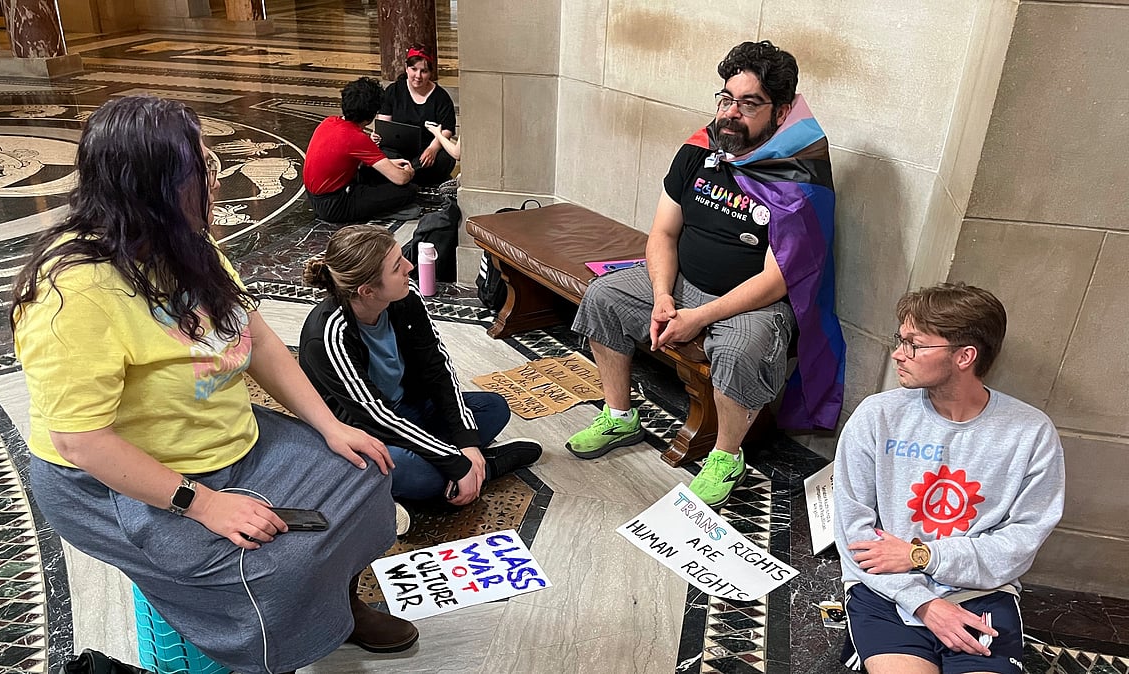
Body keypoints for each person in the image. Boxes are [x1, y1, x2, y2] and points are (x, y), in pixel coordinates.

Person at [12, 96, 417, 674]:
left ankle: (340, 611)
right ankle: (273, 651)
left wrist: (330, 427)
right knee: (274, 569)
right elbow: (82, 441)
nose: (217, 179)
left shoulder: (185, 244)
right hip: (118, 479)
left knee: (364, 474)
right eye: (203, 168)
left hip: (219, 439)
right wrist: (202, 504)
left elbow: (256, 338)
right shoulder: (72, 293)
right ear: (152, 188)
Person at [565, 40, 846, 509]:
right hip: (680, 283)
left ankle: (726, 456)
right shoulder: (699, 150)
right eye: (726, 98)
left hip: (754, 302)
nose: (731, 113)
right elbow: (663, 233)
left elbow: (778, 280)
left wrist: (700, 316)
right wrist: (662, 295)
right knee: (604, 296)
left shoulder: (798, 175)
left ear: (781, 113)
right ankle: (619, 416)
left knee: (739, 350)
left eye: (749, 104)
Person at [833, 283, 1065, 674]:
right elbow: (853, 531)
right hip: (887, 586)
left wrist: (923, 555)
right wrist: (924, 603)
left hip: (981, 592)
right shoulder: (877, 416)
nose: (898, 353)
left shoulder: (1031, 433)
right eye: (900, 340)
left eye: (914, 344)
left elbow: (1020, 543)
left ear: (964, 356)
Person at [298, 224, 542, 505]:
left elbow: (437, 368)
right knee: (417, 475)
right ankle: (481, 470)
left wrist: (467, 443)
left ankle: (463, 471)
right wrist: (455, 461)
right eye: (396, 267)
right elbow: (375, 417)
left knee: (494, 408)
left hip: (407, 408)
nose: (409, 266)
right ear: (367, 291)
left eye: (402, 256)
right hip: (362, 431)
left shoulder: (405, 296)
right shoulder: (329, 335)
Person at [304, 76, 420, 223]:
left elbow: (350, 160)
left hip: (315, 197)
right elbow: (401, 179)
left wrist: (390, 163)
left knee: (376, 175)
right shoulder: (356, 137)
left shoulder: (329, 122)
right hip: (334, 205)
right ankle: (378, 211)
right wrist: (408, 173)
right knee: (408, 191)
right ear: (371, 117)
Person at [376, 45, 457, 186]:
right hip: (397, 148)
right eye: (414, 69)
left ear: (430, 73)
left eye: (423, 71)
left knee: (445, 159)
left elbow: (447, 129)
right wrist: (378, 136)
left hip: (427, 150)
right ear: (406, 68)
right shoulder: (394, 90)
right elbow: (385, 124)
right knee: (384, 155)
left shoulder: (441, 97)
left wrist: (433, 149)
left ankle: (402, 174)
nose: (418, 76)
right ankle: (409, 173)